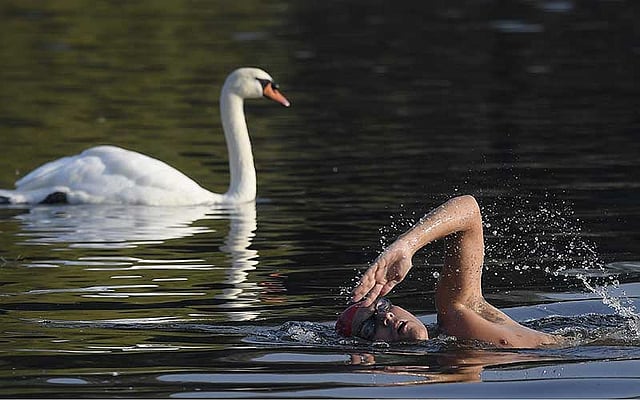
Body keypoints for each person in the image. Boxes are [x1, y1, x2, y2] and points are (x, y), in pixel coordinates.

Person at [336, 195, 564, 348]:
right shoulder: (445, 354)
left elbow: (469, 210)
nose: (386, 317)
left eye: (383, 306)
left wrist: (407, 245)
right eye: (369, 327)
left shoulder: (456, 313)